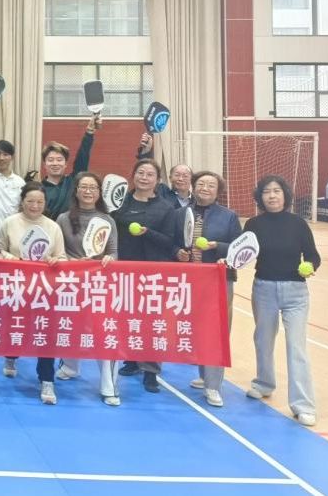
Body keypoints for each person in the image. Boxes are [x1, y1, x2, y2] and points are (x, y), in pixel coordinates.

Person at [244, 175, 320, 427]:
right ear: (260, 197)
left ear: (285, 194)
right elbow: (242, 253)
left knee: (296, 347)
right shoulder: (253, 224)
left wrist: (310, 266)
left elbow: (313, 256)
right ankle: (264, 383)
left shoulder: (298, 224)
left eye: (276, 191)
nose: (272, 196)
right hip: (263, 289)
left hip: (296, 292)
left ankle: (303, 405)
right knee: (263, 339)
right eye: (267, 192)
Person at [171, 170, 241, 408]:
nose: (205, 188)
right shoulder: (180, 214)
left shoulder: (229, 216)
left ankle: (213, 386)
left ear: (218, 191)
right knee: (196, 330)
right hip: (189, 281)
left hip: (218, 280)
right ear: (193, 186)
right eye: (201, 183)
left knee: (216, 331)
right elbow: (172, 242)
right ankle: (204, 375)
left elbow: (239, 247)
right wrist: (177, 252)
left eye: (211, 185)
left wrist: (217, 247)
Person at [0, 182, 67, 404]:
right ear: (22, 201)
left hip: (44, 291)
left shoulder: (53, 227)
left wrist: (55, 260)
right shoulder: (9, 222)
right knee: (15, 326)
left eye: (39, 202)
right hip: (16, 288)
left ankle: (46, 379)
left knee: (46, 333)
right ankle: (11, 356)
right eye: (30, 201)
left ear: (45, 203)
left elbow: (62, 257)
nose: (35, 206)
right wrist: (12, 259)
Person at [54, 172, 120, 406]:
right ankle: (70, 366)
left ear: (99, 192)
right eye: (84, 187)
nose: (88, 191)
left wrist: (109, 259)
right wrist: (71, 262)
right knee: (69, 326)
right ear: (76, 191)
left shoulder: (107, 220)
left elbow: (113, 252)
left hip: (98, 285)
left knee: (103, 332)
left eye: (93, 187)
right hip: (71, 284)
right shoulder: (63, 218)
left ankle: (109, 387)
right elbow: (58, 251)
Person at [111, 158, 176, 391]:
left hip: (152, 274)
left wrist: (147, 233)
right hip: (123, 272)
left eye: (150, 174)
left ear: (157, 180)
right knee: (128, 319)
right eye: (140, 172)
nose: (144, 178)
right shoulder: (120, 203)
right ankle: (131, 359)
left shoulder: (166, 208)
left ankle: (151, 371)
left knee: (152, 323)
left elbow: (169, 241)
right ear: (133, 175)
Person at [37, 117, 98, 220]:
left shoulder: (73, 181)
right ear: (44, 164)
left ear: (65, 164)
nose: (55, 163)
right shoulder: (39, 189)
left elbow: (82, 158)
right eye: (51, 160)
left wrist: (89, 133)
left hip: (73, 229)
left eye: (59, 160)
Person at [136, 132, 192, 207]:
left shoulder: (197, 200)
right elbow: (147, 173)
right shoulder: (162, 192)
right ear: (170, 178)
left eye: (185, 176)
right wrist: (146, 152)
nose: (180, 179)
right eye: (177, 175)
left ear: (192, 179)